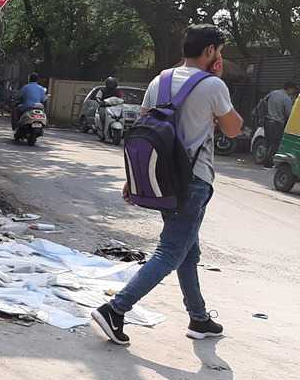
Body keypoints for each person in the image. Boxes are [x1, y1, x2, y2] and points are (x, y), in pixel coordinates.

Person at [92, 24, 243, 345]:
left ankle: (199, 319)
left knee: (187, 249)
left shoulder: (159, 80)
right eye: (220, 52)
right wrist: (218, 90)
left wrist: (134, 180)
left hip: (162, 178)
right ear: (209, 52)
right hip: (194, 181)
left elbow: (145, 128)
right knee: (171, 251)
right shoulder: (213, 85)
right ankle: (115, 310)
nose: (221, 58)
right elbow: (233, 130)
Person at [261, 81, 298, 168]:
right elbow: (289, 114)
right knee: (275, 144)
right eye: (293, 90)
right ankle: (268, 164)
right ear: (290, 89)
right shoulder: (286, 98)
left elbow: (263, 102)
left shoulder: (273, 93)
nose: (293, 92)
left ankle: (264, 161)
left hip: (267, 121)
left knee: (268, 142)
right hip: (277, 123)